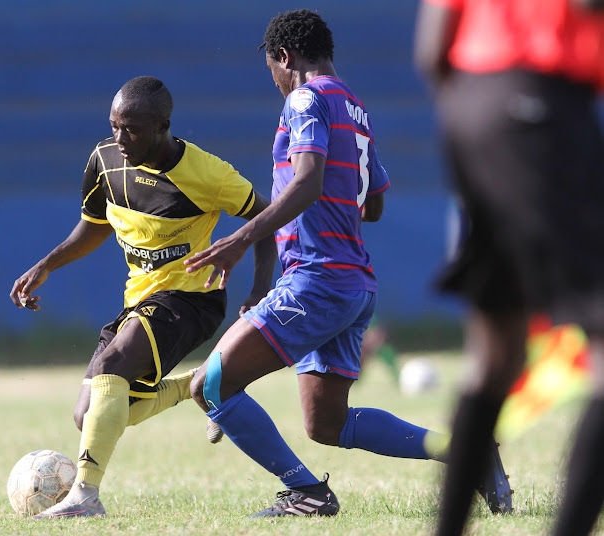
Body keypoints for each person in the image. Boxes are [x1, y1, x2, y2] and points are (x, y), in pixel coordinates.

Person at [186, 9, 510, 518]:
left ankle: (307, 493)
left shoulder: (304, 99)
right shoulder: (354, 106)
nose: (273, 79)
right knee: (326, 424)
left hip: (315, 280)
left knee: (208, 385)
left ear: (285, 57)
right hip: (352, 282)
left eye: (271, 66)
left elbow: (309, 178)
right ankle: (466, 453)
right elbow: (375, 202)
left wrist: (243, 237)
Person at [9, 75, 276, 518]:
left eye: (131, 128)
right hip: (140, 301)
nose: (120, 137)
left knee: (113, 367)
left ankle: (85, 498)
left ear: (163, 126)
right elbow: (95, 224)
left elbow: (266, 221)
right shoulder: (105, 160)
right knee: (91, 414)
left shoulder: (208, 174)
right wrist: (47, 264)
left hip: (192, 300)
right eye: (114, 125)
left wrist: (258, 293)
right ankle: (200, 384)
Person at [414, 0, 604, 534]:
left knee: (497, 350)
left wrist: (475, 124)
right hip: (543, 105)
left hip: (472, 112)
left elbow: (431, 49)